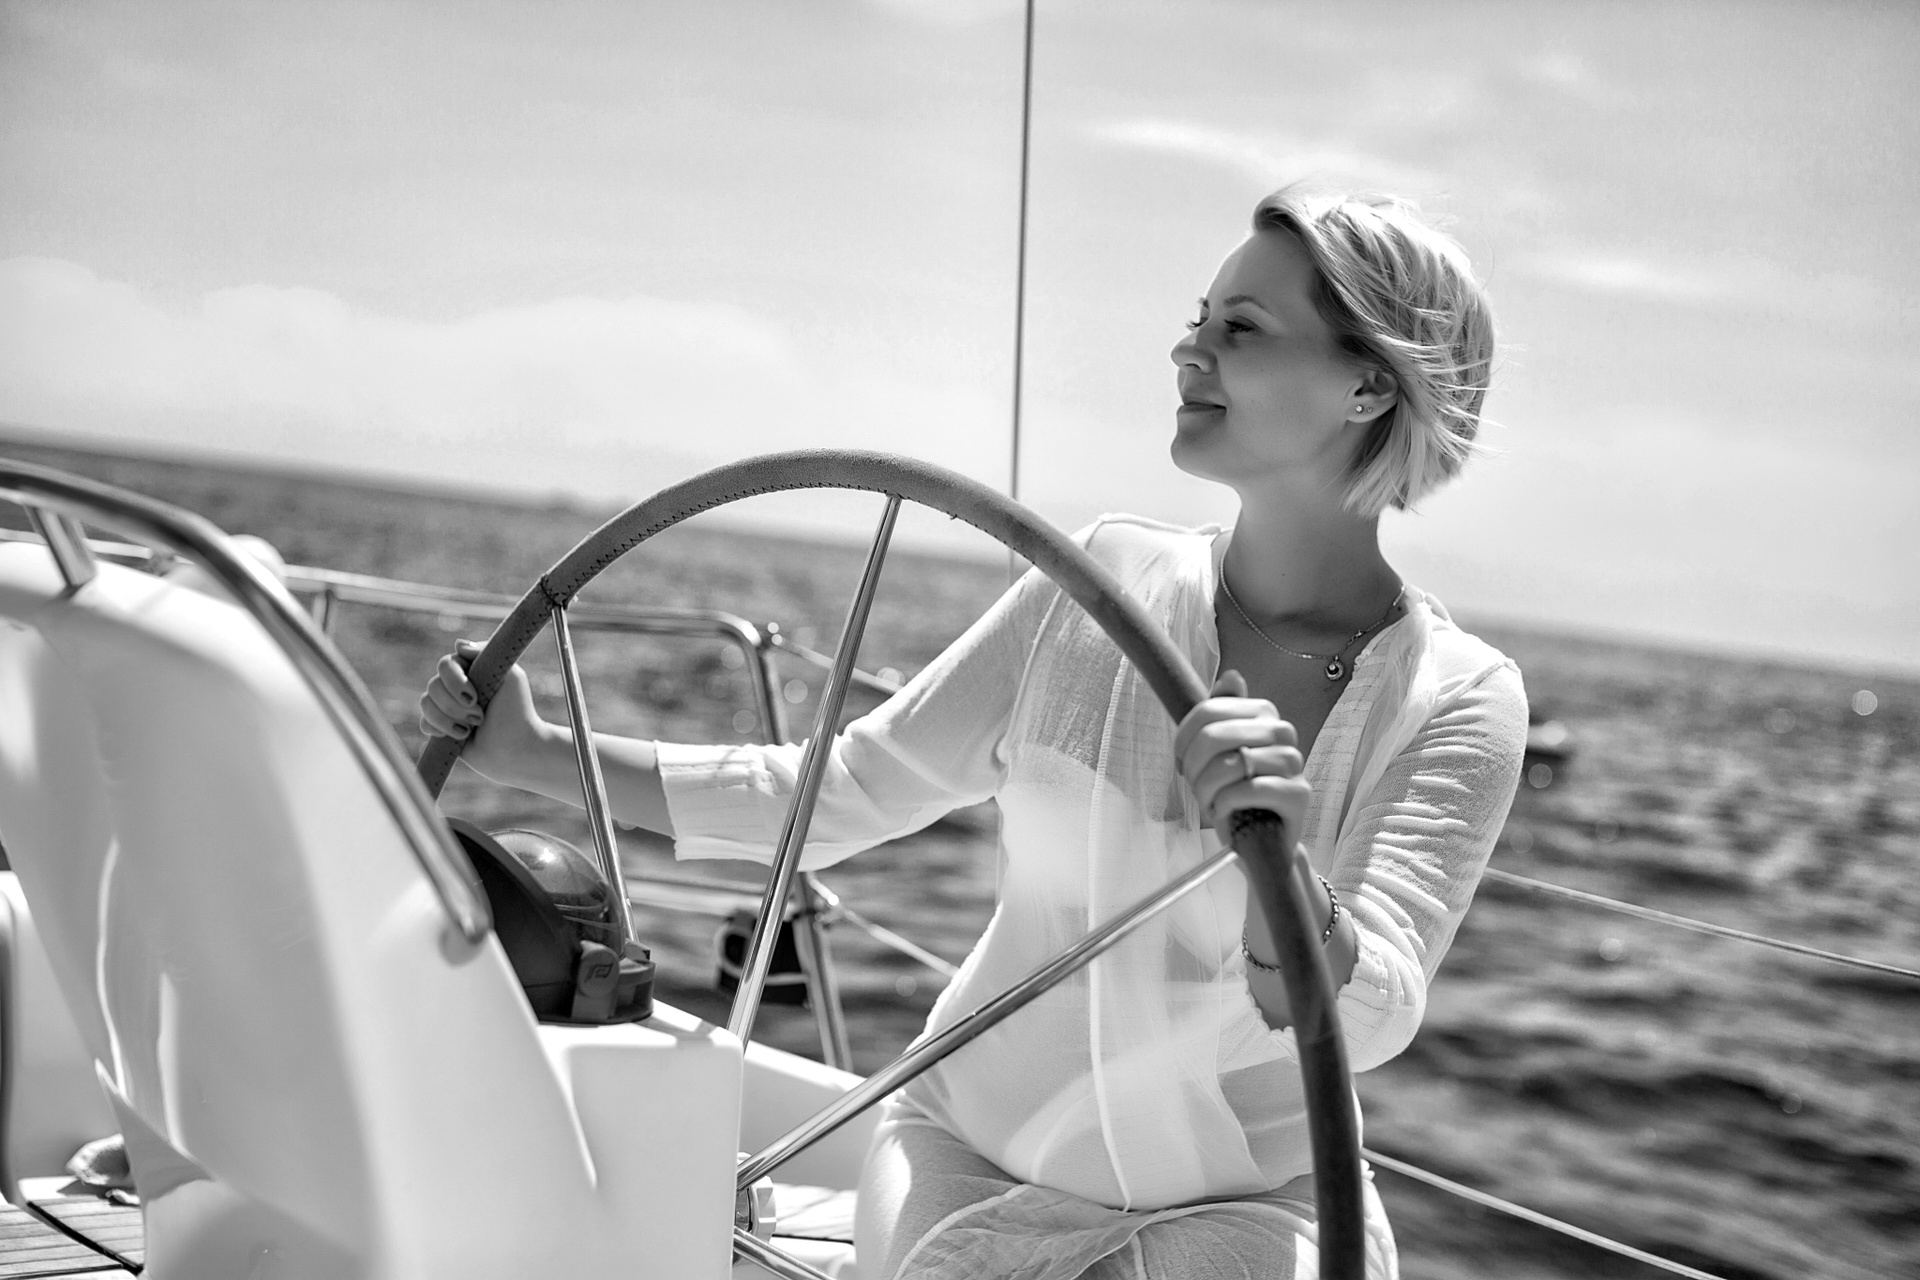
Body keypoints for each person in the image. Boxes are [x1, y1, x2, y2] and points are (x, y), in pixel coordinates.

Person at [418, 184, 1528, 1280]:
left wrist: (1277, 872)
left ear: (1367, 385)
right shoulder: (1100, 583)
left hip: (1252, 1204)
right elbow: (839, 791)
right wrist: (534, 753)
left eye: (1240, 329)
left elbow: (1364, 1017)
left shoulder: (1460, 697)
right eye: (1199, 320)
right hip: (970, 1154)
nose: (1187, 351)